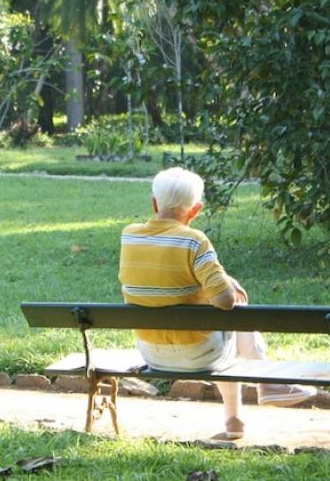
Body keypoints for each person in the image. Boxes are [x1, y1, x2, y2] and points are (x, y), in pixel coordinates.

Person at [118, 167, 317, 440]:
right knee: (234, 315)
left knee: (220, 328)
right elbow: (225, 302)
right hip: (199, 354)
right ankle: (267, 385)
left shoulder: (130, 235)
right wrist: (227, 285)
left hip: (150, 353)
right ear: (195, 210)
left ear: (154, 203)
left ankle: (237, 420)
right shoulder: (194, 240)